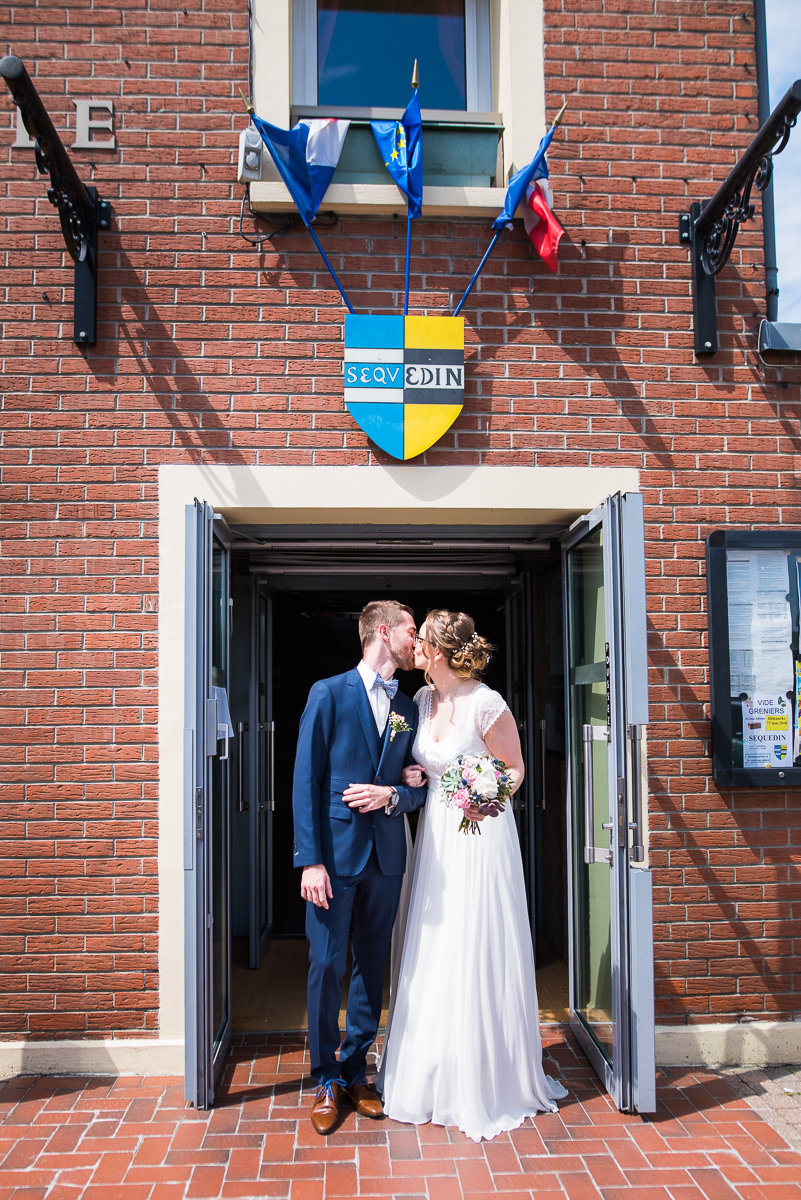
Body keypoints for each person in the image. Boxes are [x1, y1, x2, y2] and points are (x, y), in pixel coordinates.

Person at [378, 609, 568, 1142]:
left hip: (480, 836)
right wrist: (414, 773)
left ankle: (484, 1077)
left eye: (422, 641)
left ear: (437, 651)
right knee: (433, 943)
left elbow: (515, 768)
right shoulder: (419, 700)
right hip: (435, 834)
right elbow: (421, 764)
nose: (413, 646)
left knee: (472, 941)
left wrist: (486, 794)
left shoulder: (487, 703)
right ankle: (433, 1066)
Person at [292, 599, 427, 1135]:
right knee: (326, 965)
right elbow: (305, 782)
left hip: (387, 858)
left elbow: (421, 787)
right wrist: (310, 861)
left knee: (373, 967)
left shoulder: (411, 708)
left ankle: (355, 1070)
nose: (416, 642)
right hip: (334, 858)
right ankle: (324, 1076)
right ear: (384, 632)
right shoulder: (327, 694)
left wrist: (394, 793)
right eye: (411, 631)